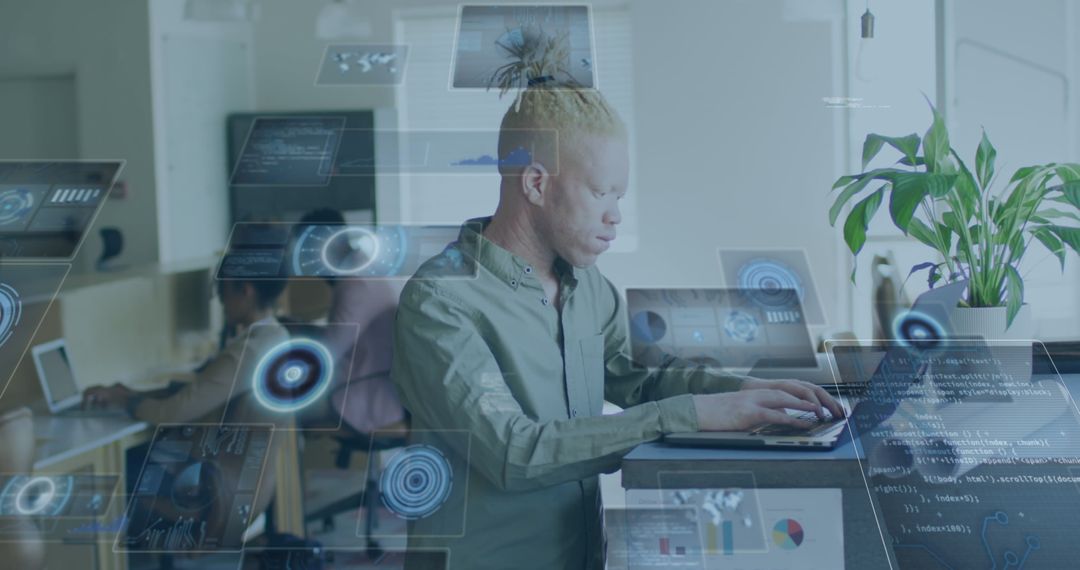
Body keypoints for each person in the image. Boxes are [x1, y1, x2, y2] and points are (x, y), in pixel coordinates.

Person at [389, 38, 845, 570]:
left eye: (620, 198)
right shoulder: (439, 303)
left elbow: (647, 379)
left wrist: (750, 393)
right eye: (602, 193)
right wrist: (692, 414)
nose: (615, 216)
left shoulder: (588, 288)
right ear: (536, 183)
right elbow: (513, 451)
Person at [81, 276, 288, 425]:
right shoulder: (276, 336)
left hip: (206, 473)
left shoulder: (246, 352)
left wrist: (123, 401)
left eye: (223, 291)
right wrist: (131, 393)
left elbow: (172, 413)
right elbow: (200, 390)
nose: (221, 301)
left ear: (246, 290)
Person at [294, 208, 407, 435]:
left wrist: (293, 335)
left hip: (360, 401)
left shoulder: (357, 283)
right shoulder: (362, 270)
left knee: (278, 405)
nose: (307, 265)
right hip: (367, 389)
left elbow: (327, 353)